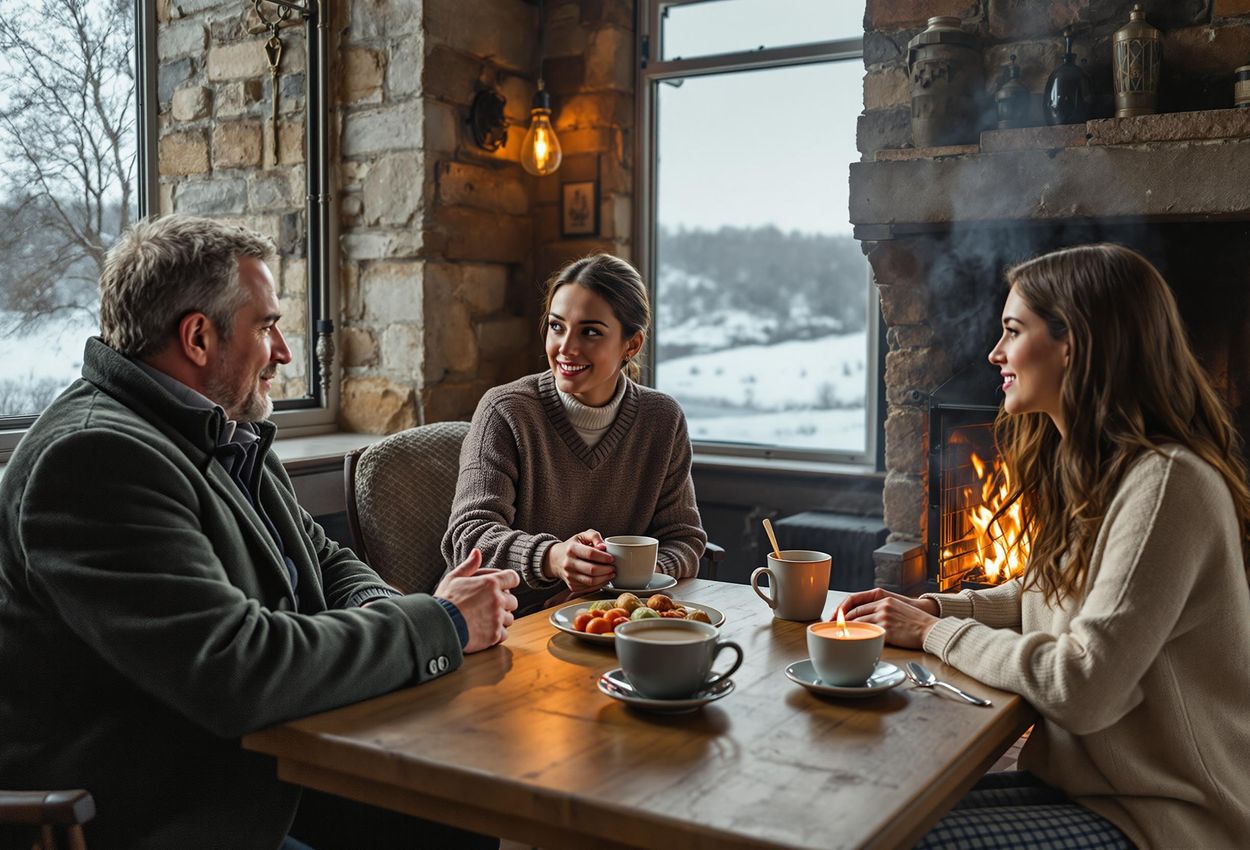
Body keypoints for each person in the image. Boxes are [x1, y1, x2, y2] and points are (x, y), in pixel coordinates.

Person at [0, 215, 519, 850]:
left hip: (273, 763)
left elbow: (323, 557)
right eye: (267, 326)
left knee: (467, 820)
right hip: (171, 811)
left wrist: (384, 605)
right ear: (197, 337)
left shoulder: (220, 423)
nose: (285, 351)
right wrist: (444, 623)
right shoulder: (93, 459)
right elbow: (238, 669)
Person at [842, 244, 1250, 849]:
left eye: (1013, 331)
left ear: (1073, 343)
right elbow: (1042, 593)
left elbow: (1081, 688)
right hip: (1083, 785)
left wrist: (934, 635)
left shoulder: (1167, 484)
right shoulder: (1095, 468)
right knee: (865, 812)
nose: (995, 353)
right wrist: (937, 609)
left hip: (1163, 817)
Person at [443, 254, 706, 615]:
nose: (566, 347)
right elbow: (468, 537)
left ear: (632, 345)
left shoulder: (662, 419)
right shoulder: (505, 411)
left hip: (609, 623)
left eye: (590, 332)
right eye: (557, 326)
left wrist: (618, 588)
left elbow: (683, 539)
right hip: (504, 623)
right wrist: (552, 558)